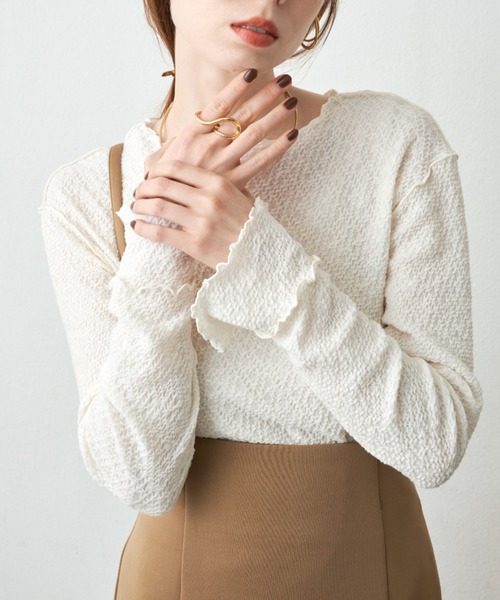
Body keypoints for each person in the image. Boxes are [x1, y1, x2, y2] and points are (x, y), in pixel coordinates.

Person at [39, 0, 483, 598]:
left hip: (372, 564)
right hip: (180, 575)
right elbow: (139, 480)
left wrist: (256, 258)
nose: (271, 0)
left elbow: (434, 445)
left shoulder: (395, 144)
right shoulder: (88, 193)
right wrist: (163, 235)